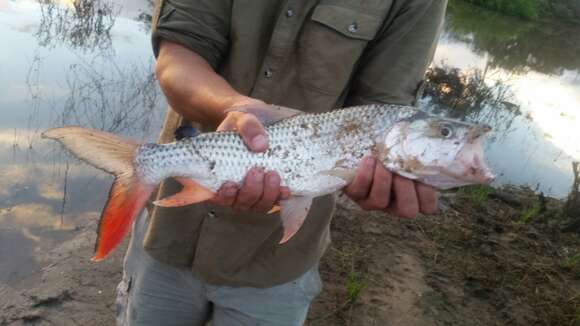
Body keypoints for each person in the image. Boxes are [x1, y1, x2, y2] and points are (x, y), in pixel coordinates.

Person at [115, 0, 447, 325]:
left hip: (277, 262)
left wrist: (383, 180)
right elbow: (177, 56)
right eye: (444, 134)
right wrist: (233, 107)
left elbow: (382, 110)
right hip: (171, 232)